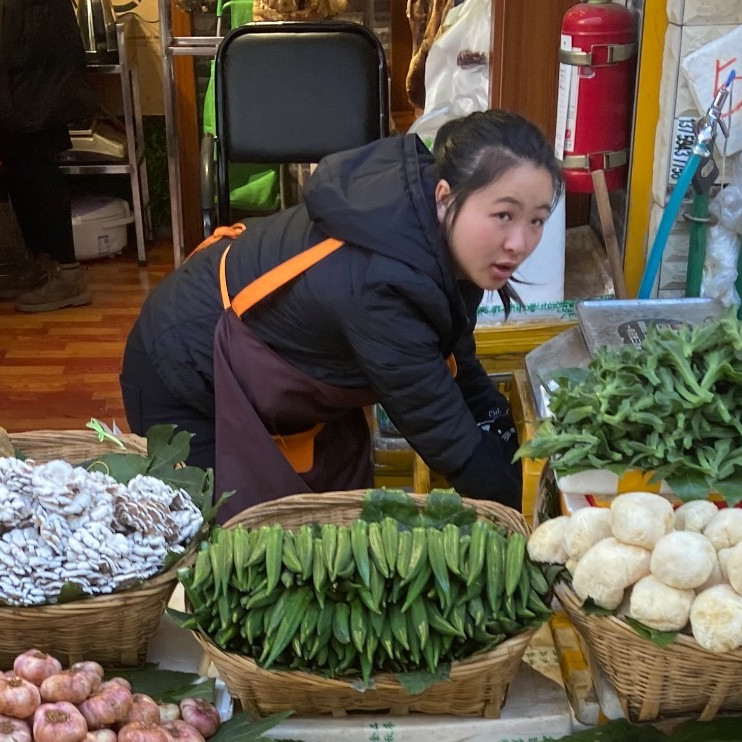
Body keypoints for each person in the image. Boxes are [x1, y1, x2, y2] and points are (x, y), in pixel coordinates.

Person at [119, 110, 560, 512]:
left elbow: (452, 350)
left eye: (536, 220)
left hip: (277, 374)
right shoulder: (382, 282)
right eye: (504, 215)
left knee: (323, 530)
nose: (519, 243)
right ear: (445, 195)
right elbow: (447, 435)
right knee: (221, 543)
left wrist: (504, 429)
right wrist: (533, 515)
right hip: (181, 373)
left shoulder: (435, 232)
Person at [0, 0, 97, 313]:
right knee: (23, 165)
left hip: (34, 54)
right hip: (30, 47)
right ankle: (46, 265)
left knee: (35, 164)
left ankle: (66, 274)